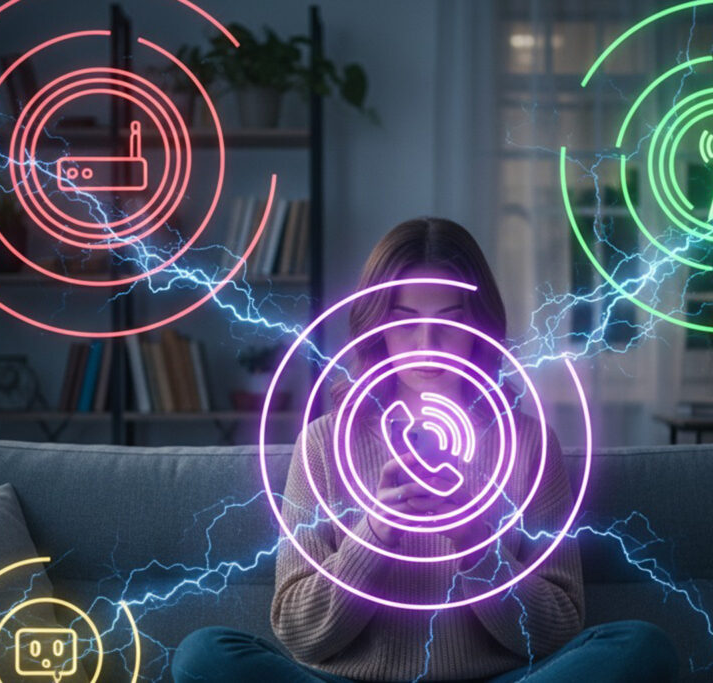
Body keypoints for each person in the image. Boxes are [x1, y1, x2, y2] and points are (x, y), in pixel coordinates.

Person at [174, 218, 678, 682]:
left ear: (479, 326)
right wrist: (375, 533)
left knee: (640, 647)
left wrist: (476, 540)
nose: (427, 342)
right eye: (405, 320)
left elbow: (557, 628)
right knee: (203, 655)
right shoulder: (324, 443)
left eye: (449, 320)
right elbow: (299, 632)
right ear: (376, 325)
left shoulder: (529, 443)